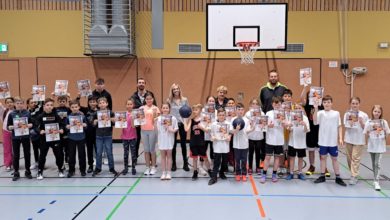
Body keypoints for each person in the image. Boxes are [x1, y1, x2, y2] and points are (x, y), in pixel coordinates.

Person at [313, 95, 346, 186]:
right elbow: (315, 122)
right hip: (323, 141)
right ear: (322, 104)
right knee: (323, 158)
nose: (326, 104)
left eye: (328, 102)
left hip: (332, 142)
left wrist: (340, 138)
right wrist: (315, 108)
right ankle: (322, 176)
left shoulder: (336, 113)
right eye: (325, 102)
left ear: (331, 103)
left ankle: (338, 177)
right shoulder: (320, 113)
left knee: (334, 159)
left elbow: (339, 126)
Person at [300, 85, 330, 177]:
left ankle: (324, 167)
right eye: (312, 95)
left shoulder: (321, 105)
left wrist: (320, 94)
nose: (314, 96)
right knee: (311, 150)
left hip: (320, 131)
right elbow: (301, 98)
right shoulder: (308, 105)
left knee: (322, 150)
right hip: (310, 130)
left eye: (316, 94)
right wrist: (305, 87)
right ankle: (312, 166)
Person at [36, 98, 65, 180]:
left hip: (55, 139)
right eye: (47, 105)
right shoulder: (40, 116)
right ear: (44, 106)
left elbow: (61, 125)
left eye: (51, 105)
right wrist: (40, 130)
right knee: (42, 156)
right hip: (44, 140)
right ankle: (39, 171)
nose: (49, 107)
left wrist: (62, 129)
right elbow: (36, 127)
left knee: (58, 155)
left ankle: (60, 170)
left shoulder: (56, 116)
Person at [260, 97, 287, 184]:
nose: (277, 105)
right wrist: (268, 125)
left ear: (281, 104)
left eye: (279, 104)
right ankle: (264, 174)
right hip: (270, 139)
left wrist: (284, 123)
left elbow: (287, 125)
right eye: (275, 104)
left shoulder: (284, 113)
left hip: (279, 139)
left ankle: (274, 174)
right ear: (272, 104)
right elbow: (264, 124)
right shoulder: (268, 113)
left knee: (277, 157)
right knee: (267, 157)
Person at [363, 105, 390, 191]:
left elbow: (388, 131)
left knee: (377, 163)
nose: (377, 113)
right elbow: (365, 132)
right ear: (372, 112)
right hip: (372, 145)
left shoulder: (383, 122)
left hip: (380, 145)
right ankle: (375, 179)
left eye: (378, 112)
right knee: (373, 163)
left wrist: (384, 135)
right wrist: (368, 132)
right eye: (375, 111)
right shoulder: (369, 122)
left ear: (381, 113)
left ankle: (376, 181)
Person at [131, 78, 157, 164]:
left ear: (145, 84)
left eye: (142, 82)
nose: (141, 84)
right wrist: (135, 120)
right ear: (137, 84)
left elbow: (155, 107)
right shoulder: (133, 96)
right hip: (139, 123)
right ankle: (134, 159)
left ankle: (151, 160)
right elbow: (132, 108)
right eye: (139, 82)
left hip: (149, 123)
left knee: (150, 143)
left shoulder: (150, 94)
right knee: (137, 141)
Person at [7, 97, 33, 181]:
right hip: (16, 138)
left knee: (27, 154)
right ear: (15, 104)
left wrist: (30, 125)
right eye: (17, 103)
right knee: (16, 155)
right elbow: (8, 126)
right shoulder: (11, 114)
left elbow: (32, 123)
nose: (19, 105)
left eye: (21, 103)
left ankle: (28, 171)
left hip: (25, 137)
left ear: (24, 104)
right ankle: (16, 172)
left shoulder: (27, 113)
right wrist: (10, 127)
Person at [343, 97, 368, 185]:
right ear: (350, 104)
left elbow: (367, 129)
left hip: (359, 140)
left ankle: (354, 176)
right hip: (349, 139)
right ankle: (353, 173)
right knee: (349, 158)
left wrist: (361, 123)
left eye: (356, 103)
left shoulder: (364, 115)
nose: (355, 105)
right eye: (353, 103)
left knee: (355, 158)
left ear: (359, 104)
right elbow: (345, 126)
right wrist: (350, 123)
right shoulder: (347, 114)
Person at [184, 104, 212, 181]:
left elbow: (207, 130)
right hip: (193, 142)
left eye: (196, 110)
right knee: (195, 159)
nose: (194, 111)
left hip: (201, 142)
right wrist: (184, 120)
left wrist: (201, 127)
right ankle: (195, 172)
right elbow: (186, 129)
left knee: (205, 158)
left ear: (200, 110)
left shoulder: (203, 120)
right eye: (193, 110)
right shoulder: (191, 120)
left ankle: (209, 170)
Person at [92, 97, 118, 176]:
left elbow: (114, 123)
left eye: (103, 102)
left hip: (108, 135)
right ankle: (98, 168)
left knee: (109, 152)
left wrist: (114, 120)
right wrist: (95, 122)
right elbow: (93, 124)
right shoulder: (95, 113)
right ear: (98, 105)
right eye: (100, 103)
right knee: (99, 153)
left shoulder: (111, 113)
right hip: (99, 136)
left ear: (107, 104)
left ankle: (112, 168)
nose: (102, 104)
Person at [167, 83, 190, 172]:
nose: (176, 90)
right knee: (173, 144)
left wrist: (186, 123)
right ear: (172, 91)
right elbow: (167, 113)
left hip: (182, 123)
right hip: (173, 124)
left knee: (183, 144)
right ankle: (174, 164)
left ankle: (185, 163)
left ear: (179, 90)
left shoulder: (185, 100)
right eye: (174, 89)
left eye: (177, 88)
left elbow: (188, 112)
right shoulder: (169, 100)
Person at [230, 103, 254, 182]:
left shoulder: (247, 120)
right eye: (239, 109)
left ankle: (244, 174)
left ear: (244, 111)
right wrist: (236, 129)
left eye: (242, 110)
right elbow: (231, 131)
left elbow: (247, 131)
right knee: (237, 160)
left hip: (244, 144)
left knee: (244, 160)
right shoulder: (233, 119)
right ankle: (237, 173)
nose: (240, 111)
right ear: (236, 110)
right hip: (236, 144)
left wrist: (253, 127)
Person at [285, 103, 310, 180]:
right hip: (292, 141)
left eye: (299, 108)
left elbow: (307, 130)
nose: (297, 109)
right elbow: (288, 129)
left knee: (300, 158)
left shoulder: (305, 118)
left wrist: (304, 125)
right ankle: (291, 173)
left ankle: (300, 173)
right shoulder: (291, 118)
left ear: (302, 109)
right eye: (295, 108)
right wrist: (289, 126)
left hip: (301, 142)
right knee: (292, 158)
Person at [208, 108, 232, 186]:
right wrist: (212, 137)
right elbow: (211, 133)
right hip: (217, 146)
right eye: (220, 115)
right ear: (217, 115)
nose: (221, 116)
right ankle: (214, 177)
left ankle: (221, 173)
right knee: (216, 162)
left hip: (225, 146)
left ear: (225, 115)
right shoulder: (214, 124)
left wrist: (229, 136)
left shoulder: (228, 124)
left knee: (225, 162)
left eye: (223, 115)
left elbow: (230, 133)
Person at [65, 100, 87, 177]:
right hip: (72, 138)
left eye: (76, 107)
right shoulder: (68, 117)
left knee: (82, 155)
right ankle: (71, 170)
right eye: (72, 107)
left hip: (81, 137)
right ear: (70, 108)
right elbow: (66, 127)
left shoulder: (83, 116)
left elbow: (86, 126)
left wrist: (85, 125)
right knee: (71, 155)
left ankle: (83, 170)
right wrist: (67, 127)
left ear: (79, 107)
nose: (74, 108)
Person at [156, 102, 178, 180]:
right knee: (162, 157)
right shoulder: (158, 119)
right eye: (163, 108)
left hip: (169, 139)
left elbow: (176, 129)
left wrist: (171, 130)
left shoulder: (173, 118)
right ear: (161, 109)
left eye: (167, 108)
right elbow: (157, 129)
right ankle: (163, 173)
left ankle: (168, 173)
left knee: (169, 156)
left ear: (169, 109)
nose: (165, 109)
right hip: (161, 140)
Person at [140, 92, 160, 176]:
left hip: (152, 130)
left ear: (153, 99)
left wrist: (155, 114)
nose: (149, 100)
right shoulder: (141, 108)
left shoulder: (156, 108)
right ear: (145, 100)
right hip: (143, 130)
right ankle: (147, 167)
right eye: (147, 99)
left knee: (152, 149)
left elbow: (157, 120)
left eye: (150, 99)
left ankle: (153, 167)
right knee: (146, 150)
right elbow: (138, 119)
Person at [245, 98, 265, 175]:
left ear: (259, 105)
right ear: (250, 105)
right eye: (253, 103)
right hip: (250, 136)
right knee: (250, 152)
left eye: (256, 104)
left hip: (259, 136)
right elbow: (246, 125)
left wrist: (262, 123)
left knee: (258, 153)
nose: (255, 105)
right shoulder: (247, 114)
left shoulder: (262, 114)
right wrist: (251, 121)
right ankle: (250, 167)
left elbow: (264, 125)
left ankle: (257, 167)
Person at [121, 98, 138, 175]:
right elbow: (120, 124)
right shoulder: (123, 114)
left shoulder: (135, 114)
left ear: (133, 105)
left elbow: (134, 126)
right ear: (125, 105)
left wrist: (133, 119)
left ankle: (133, 167)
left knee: (133, 153)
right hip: (124, 137)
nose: (129, 105)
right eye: (128, 104)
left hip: (133, 137)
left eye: (131, 104)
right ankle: (125, 167)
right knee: (125, 153)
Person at [26, 98, 43, 170]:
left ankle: (41, 162)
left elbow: (41, 104)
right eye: (31, 103)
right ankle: (36, 162)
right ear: (28, 104)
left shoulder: (38, 110)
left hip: (39, 132)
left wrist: (37, 96)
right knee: (35, 149)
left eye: (34, 102)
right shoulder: (27, 112)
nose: (33, 104)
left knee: (41, 149)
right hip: (32, 134)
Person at [0, 97, 14, 172]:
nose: (9, 104)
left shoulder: (17, 111)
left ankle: (15, 162)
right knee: (7, 148)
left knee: (15, 148)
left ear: (14, 103)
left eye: (11, 102)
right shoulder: (4, 111)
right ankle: (8, 164)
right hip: (6, 131)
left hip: (15, 132)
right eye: (7, 102)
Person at [85, 95, 98, 173]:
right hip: (88, 134)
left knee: (98, 150)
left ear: (96, 103)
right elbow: (76, 105)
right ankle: (90, 165)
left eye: (94, 102)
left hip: (97, 134)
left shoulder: (100, 111)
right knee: (89, 150)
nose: (92, 103)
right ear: (88, 103)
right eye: (91, 102)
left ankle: (98, 166)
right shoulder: (85, 110)